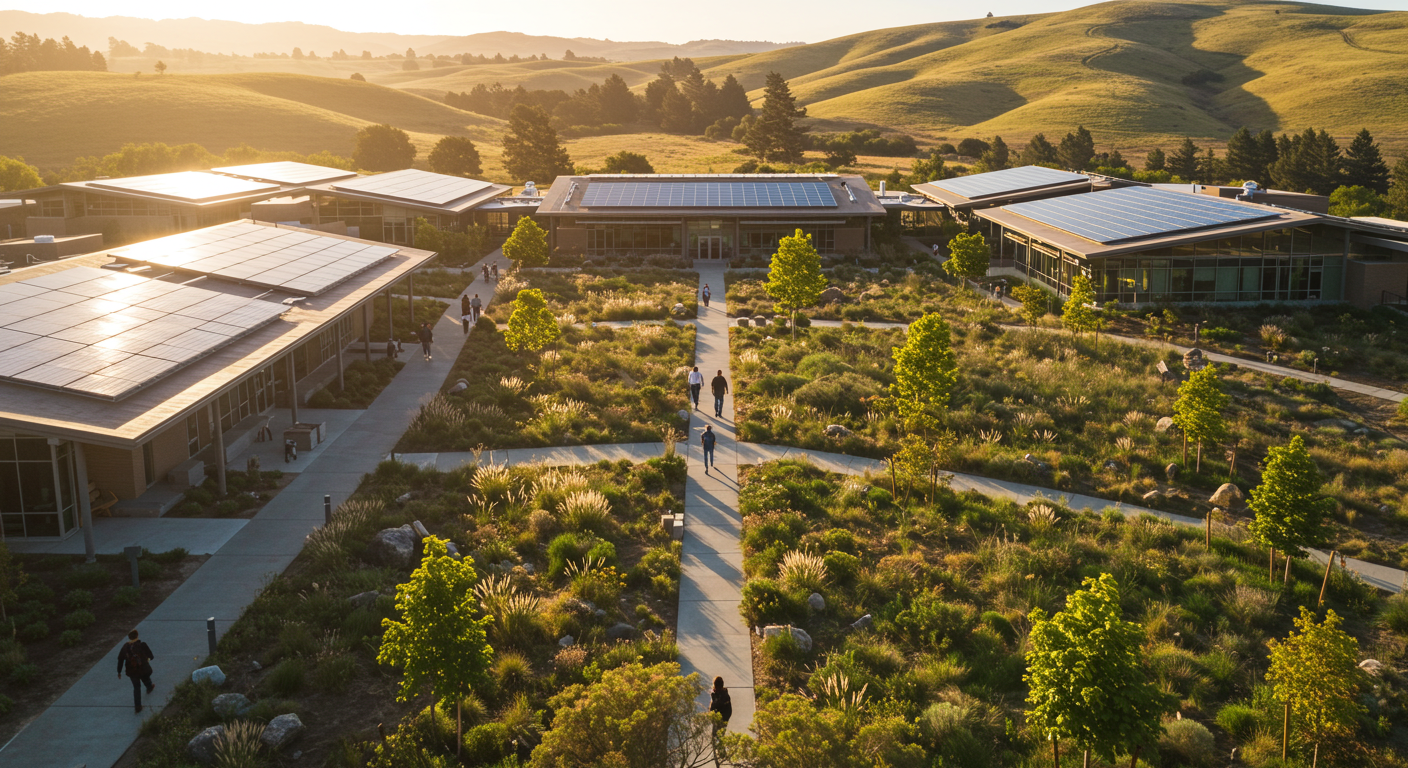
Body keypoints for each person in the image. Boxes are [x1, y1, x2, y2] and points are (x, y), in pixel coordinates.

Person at [117, 629, 155, 714]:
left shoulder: (125, 647)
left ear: (129, 637)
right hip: (143, 669)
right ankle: (149, 687)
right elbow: (151, 656)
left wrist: (119, 672)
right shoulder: (142, 645)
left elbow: (120, 660)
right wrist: (147, 659)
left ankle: (138, 707)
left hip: (132, 671)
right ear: (137, 636)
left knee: (136, 687)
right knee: (145, 677)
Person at [709, 675, 732, 761]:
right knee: (720, 734)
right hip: (725, 717)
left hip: (720, 718)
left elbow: (713, 707)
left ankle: (719, 753)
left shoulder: (718, 696)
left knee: (715, 735)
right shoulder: (725, 694)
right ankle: (720, 752)